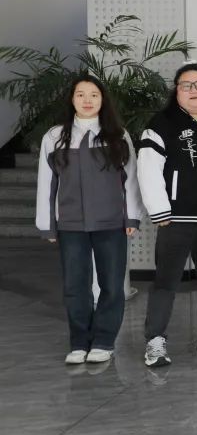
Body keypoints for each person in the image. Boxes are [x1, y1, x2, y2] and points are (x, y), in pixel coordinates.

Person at [36, 74, 141, 365]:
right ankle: (79, 342)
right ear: (71, 99)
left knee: (112, 285)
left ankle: (104, 341)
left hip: (112, 223)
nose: (87, 100)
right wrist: (47, 224)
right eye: (80, 94)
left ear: (102, 100)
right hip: (71, 225)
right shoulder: (54, 137)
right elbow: (47, 183)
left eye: (93, 94)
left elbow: (130, 179)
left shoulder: (117, 135)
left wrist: (132, 217)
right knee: (75, 286)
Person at [137, 63, 197, 367]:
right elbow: (148, 168)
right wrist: (160, 210)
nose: (193, 90)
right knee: (166, 280)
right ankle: (155, 339)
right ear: (176, 91)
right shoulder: (162, 123)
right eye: (185, 85)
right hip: (175, 218)